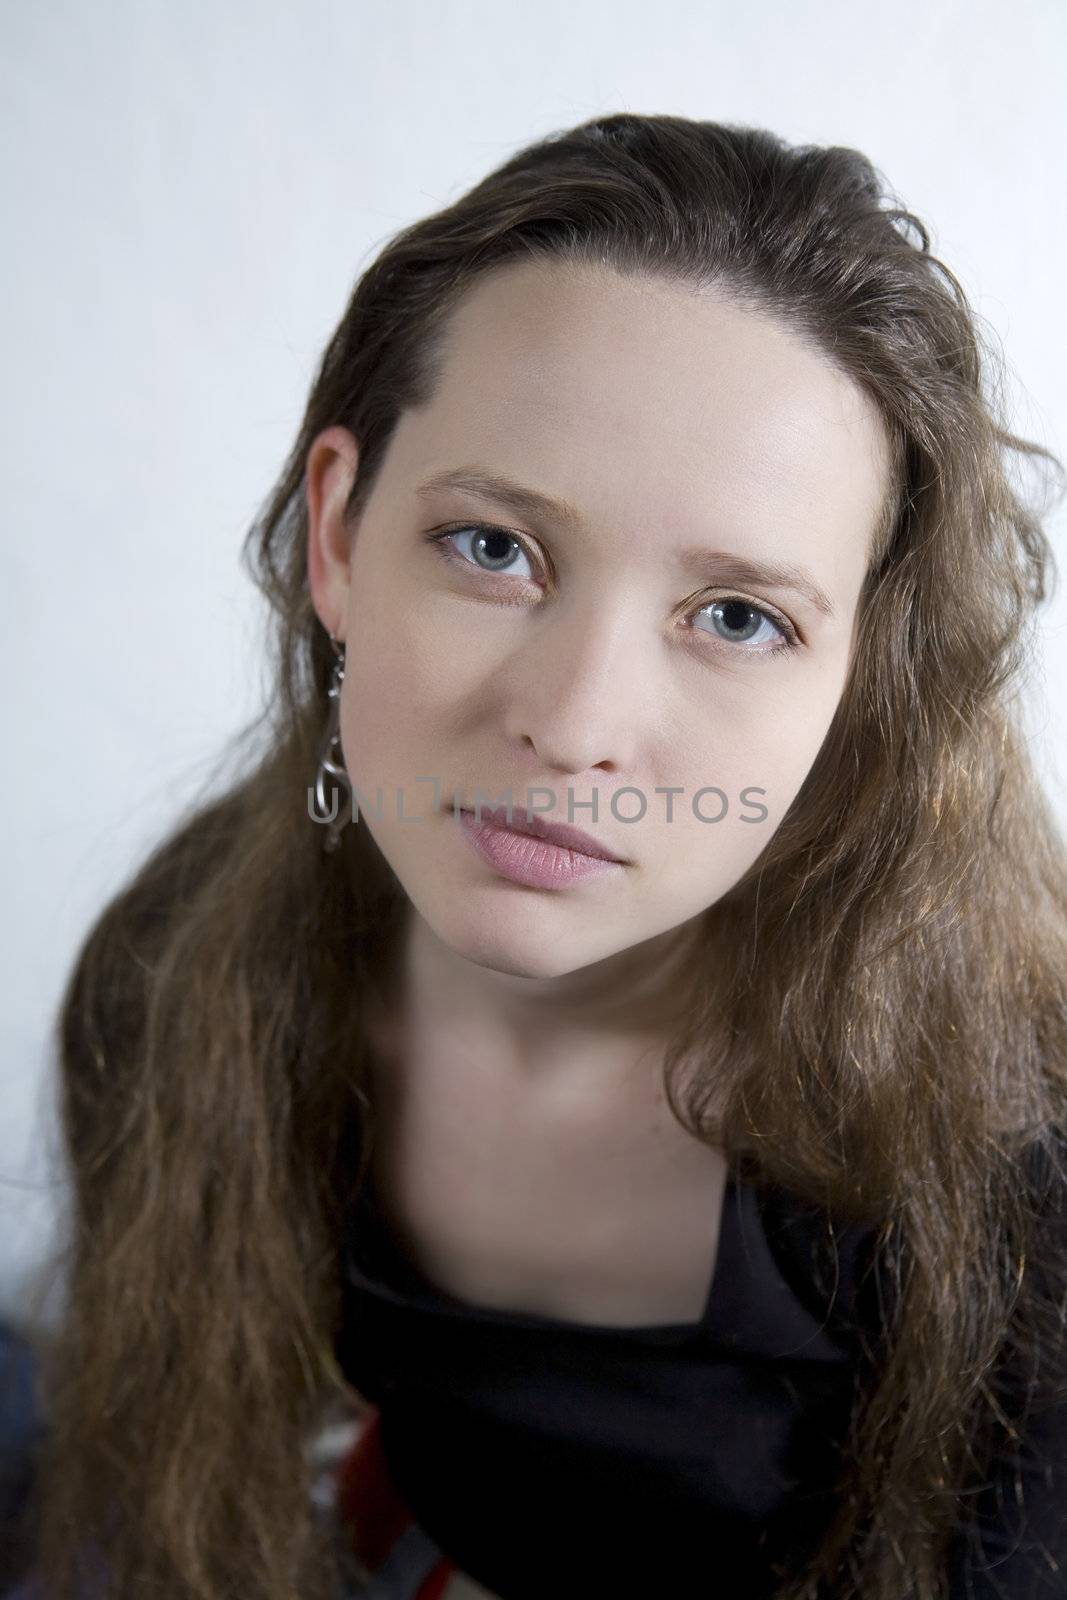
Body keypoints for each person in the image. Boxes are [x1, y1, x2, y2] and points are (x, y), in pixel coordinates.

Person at [17, 112, 1067, 1600]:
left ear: (862, 690)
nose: (576, 728)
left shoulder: (1025, 1148)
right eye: (496, 548)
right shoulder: (175, 965)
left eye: (739, 617)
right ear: (337, 529)